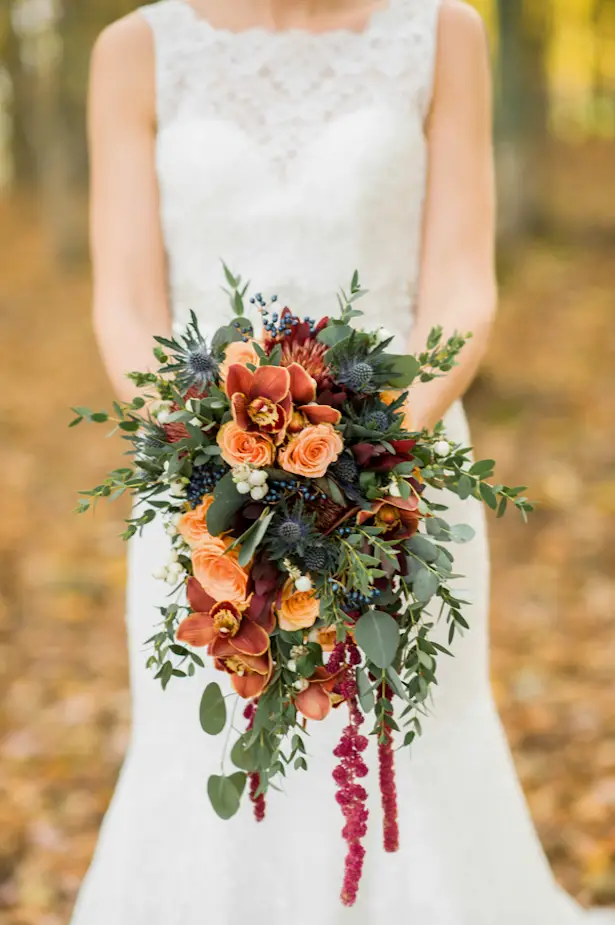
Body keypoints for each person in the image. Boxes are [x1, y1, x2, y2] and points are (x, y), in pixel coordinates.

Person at [71, 1, 613, 922]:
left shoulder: (442, 31)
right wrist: (213, 458)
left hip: (401, 472)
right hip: (204, 492)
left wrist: (367, 450)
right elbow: (124, 305)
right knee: (209, 745)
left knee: (413, 742)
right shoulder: (132, 51)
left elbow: (462, 288)